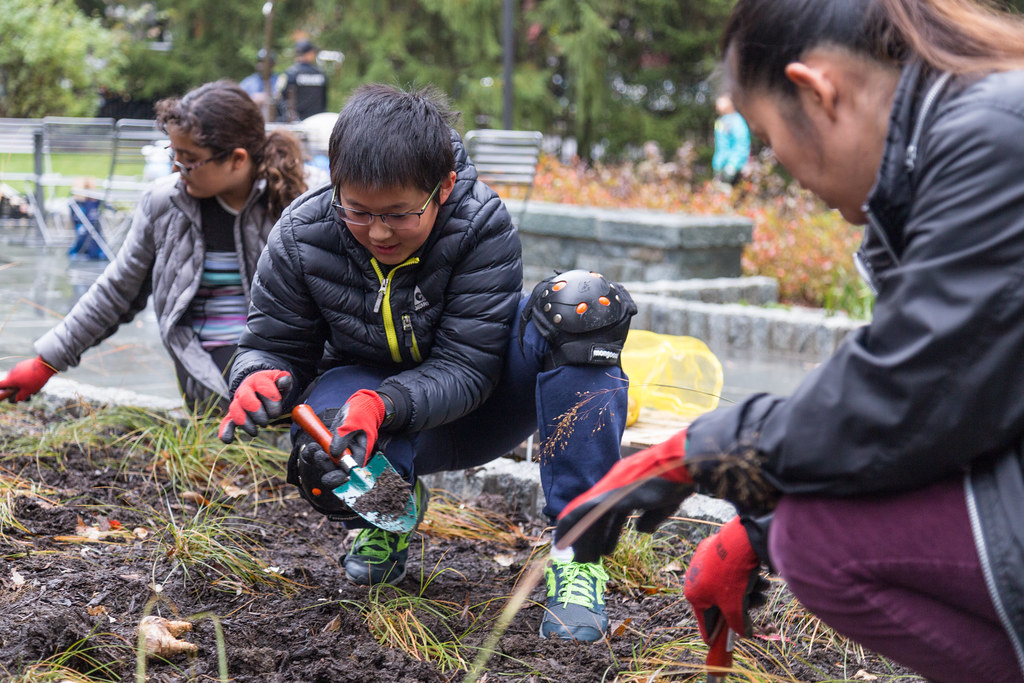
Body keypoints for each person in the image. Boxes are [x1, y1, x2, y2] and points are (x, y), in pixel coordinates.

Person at [556, 0, 1024, 680]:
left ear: (817, 89)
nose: (788, 176)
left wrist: (700, 452)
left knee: (819, 541)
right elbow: (956, 406)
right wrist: (758, 527)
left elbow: (912, 395)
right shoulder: (971, 128)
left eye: (771, 141)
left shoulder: (992, 141)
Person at [217, 83, 637, 642]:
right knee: (323, 457)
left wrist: (381, 403)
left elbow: (467, 367)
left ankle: (580, 555)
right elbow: (270, 345)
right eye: (359, 212)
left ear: (444, 188)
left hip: (483, 405)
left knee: (583, 312)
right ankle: (389, 509)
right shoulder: (302, 235)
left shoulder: (479, 224)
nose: (379, 232)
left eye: (399, 214)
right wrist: (257, 379)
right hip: (373, 421)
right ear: (336, 183)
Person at [0, 80, 308, 412]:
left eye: (189, 160)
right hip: (211, 371)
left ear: (236, 159)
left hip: (282, 358)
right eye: (173, 154)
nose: (176, 168)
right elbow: (116, 292)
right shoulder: (165, 204)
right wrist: (45, 363)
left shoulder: (295, 208)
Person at [276, 40, 328, 122]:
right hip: (317, 121)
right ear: (310, 53)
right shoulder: (321, 74)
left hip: (296, 123)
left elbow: (279, 97)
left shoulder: (290, 73)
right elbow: (324, 101)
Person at [711, 93, 750, 185]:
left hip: (734, 169)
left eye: (722, 101)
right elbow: (720, 145)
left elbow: (742, 144)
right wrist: (717, 164)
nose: (718, 103)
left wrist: (733, 164)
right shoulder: (720, 122)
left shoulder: (737, 121)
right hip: (721, 167)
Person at [66, 177, 106, 261]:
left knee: (85, 232)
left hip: (88, 233)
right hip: (91, 234)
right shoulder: (93, 203)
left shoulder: (78, 204)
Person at [239, 49, 279, 113]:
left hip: (276, 121)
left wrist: (269, 97)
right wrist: (251, 99)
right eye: (259, 61)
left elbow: (283, 99)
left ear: (273, 64)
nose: (261, 64)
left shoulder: (279, 81)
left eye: (264, 62)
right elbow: (237, 100)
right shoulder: (248, 82)